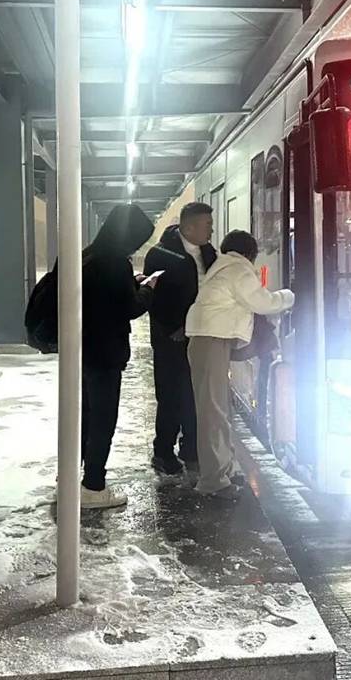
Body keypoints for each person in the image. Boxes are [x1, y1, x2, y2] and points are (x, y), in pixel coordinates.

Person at [185, 230, 294, 500]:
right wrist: (289, 296)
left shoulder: (224, 267)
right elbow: (263, 302)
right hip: (211, 341)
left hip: (210, 341)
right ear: (250, 254)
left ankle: (225, 470)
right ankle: (213, 481)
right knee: (214, 413)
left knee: (219, 410)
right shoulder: (238, 270)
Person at [82, 203, 156, 509]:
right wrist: (149, 289)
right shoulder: (114, 263)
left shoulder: (87, 255)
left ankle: (77, 476)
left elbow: (104, 297)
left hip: (83, 349)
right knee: (102, 418)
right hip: (105, 351)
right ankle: (93, 486)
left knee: (84, 415)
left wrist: (131, 284)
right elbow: (129, 308)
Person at [143, 202, 217, 482]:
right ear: (189, 228)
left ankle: (191, 449)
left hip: (201, 335)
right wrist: (176, 327)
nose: (211, 229)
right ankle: (163, 451)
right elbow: (154, 299)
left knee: (196, 393)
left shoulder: (209, 253)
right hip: (170, 338)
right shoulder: (160, 255)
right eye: (207, 224)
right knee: (171, 395)